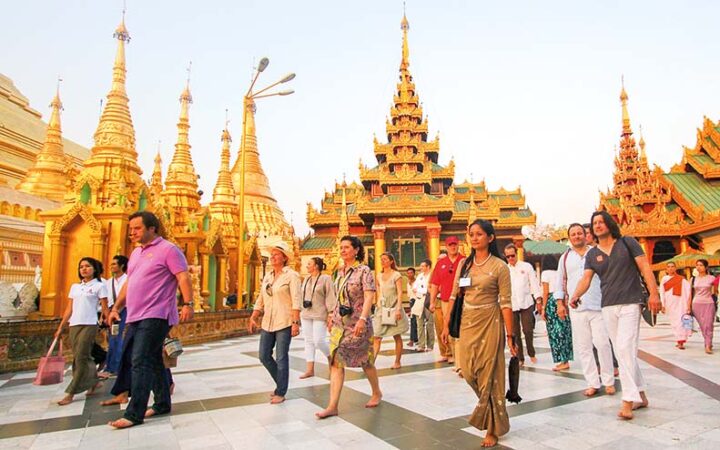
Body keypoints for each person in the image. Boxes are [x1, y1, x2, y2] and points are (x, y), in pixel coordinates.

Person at [106, 211, 194, 428]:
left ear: (152, 228)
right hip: (135, 314)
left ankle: (134, 413)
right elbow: (130, 283)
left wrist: (188, 303)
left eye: (137, 228)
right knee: (152, 359)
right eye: (131, 229)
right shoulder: (136, 253)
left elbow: (183, 276)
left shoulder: (169, 250)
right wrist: (116, 307)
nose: (132, 233)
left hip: (157, 313)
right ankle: (162, 403)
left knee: (140, 360)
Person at [571, 211, 661, 420]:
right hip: (608, 306)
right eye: (595, 223)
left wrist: (654, 294)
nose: (598, 225)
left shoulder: (627, 243)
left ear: (610, 224)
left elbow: (645, 267)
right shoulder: (592, 254)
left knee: (624, 348)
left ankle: (628, 400)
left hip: (631, 302)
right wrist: (575, 295)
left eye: (602, 222)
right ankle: (641, 395)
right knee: (623, 352)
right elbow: (586, 279)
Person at [441, 220, 515, 448]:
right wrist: (446, 324)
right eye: (471, 234)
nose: (474, 238)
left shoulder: (500, 266)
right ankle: (493, 416)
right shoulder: (464, 264)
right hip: (467, 322)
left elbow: (506, 303)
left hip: (490, 321)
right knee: (468, 371)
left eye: (479, 234)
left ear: (490, 238)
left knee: (489, 374)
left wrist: (510, 336)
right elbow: (454, 295)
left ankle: (493, 427)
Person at [316, 235, 382, 419]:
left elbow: (369, 296)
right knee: (336, 362)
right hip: (340, 324)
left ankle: (376, 392)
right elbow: (337, 297)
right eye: (341, 247)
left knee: (366, 361)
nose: (343, 250)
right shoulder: (339, 272)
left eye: (346, 247)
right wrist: (331, 315)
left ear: (356, 250)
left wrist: (363, 319)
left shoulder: (364, 270)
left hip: (358, 323)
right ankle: (332, 405)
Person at [556, 223, 615, 396]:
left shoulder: (596, 253)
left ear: (585, 235)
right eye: (573, 234)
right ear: (569, 238)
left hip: (598, 305)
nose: (577, 236)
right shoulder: (565, 258)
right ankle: (592, 383)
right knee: (584, 347)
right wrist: (560, 304)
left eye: (579, 233)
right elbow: (560, 282)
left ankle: (609, 381)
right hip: (577, 308)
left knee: (603, 344)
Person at [248, 242, 302, 403]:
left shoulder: (292, 276)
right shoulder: (268, 276)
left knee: (281, 357)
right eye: (271, 255)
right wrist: (254, 316)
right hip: (268, 321)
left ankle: (281, 392)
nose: (272, 257)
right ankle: (281, 383)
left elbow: (296, 300)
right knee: (264, 356)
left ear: (284, 258)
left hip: (285, 321)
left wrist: (295, 322)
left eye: (276, 254)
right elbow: (261, 298)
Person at [54, 257, 109, 406]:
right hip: (74, 324)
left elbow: (105, 308)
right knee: (81, 356)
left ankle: (71, 392)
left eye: (87, 266)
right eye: (81, 267)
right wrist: (61, 326)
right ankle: (94, 381)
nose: (84, 269)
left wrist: (109, 321)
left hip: (89, 324)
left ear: (94, 269)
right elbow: (69, 308)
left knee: (81, 357)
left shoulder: (99, 286)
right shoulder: (75, 287)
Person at [299, 257, 336, 379]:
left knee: (319, 340)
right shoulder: (306, 279)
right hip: (306, 313)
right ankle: (310, 370)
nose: (307, 266)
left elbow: (330, 296)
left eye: (309, 264)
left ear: (316, 266)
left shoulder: (326, 278)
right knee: (308, 341)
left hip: (320, 314)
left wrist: (331, 313)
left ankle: (330, 357)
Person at [505, 243, 542, 366]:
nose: (510, 258)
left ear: (516, 254)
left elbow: (534, 283)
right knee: (515, 333)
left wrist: (538, 300)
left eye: (512, 255)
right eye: (508, 256)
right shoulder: (505, 269)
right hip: (512, 304)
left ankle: (531, 352)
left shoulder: (526, 267)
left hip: (526, 302)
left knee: (528, 329)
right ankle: (520, 357)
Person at [429, 236, 464, 364]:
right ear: (446, 247)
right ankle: (449, 353)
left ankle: (460, 356)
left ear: (458, 245)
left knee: (460, 326)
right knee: (447, 326)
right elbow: (435, 284)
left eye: (455, 244)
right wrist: (432, 302)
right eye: (450, 245)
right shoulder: (441, 263)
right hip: (445, 300)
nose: (453, 247)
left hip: (461, 300)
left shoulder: (464, 261)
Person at [373, 252, 409, 369]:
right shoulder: (379, 275)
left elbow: (399, 292)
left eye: (385, 259)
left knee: (396, 335)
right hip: (382, 308)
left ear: (391, 261)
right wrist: (378, 302)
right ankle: (371, 362)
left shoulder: (396, 275)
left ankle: (397, 361)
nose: (382, 261)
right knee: (377, 336)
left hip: (393, 307)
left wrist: (398, 308)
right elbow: (378, 289)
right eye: (381, 259)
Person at [540, 256, 573, 371]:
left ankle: (562, 360)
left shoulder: (545, 273)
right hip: (562, 300)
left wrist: (543, 308)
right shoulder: (559, 272)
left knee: (554, 332)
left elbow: (545, 292)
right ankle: (566, 359)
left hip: (551, 301)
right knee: (564, 330)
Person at [99, 255, 129, 378]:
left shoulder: (128, 279)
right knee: (112, 338)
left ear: (122, 266)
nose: (111, 266)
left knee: (117, 338)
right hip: (112, 311)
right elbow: (105, 300)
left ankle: (114, 367)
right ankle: (111, 365)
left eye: (114, 264)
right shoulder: (108, 282)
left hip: (125, 310)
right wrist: (105, 314)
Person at [659, 262, 692, 350]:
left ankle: (681, 341)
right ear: (666, 269)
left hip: (681, 304)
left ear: (675, 268)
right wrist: (663, 304)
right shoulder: (664, 279)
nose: (670, 268)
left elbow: (688, 291)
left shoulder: (682, 279)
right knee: (674, 322)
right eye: (668, 267)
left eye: (672, 266)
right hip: (670, 304)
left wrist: (688, 304)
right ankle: (678, 339)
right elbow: (662, 292)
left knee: (680, 321)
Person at [690, 259, 716, 354]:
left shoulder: (711, 278)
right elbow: (690, 294)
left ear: (706, 267)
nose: (698, 267)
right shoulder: (693, 279)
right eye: (697, 265)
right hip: (696, 304)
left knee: (708, 324)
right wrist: (688, 306)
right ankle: (707, 341)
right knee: (702, 325)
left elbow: (715, 291)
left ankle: (708, 344)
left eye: (701, 265)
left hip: (709, 303)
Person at [411, 259, 434, 352]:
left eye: (423, 266)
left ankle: (430, 345)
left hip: (429, 300)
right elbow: (414, 288)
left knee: (430, 324)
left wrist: (421, 290)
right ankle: (421, 345)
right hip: (419, 300)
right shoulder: (420, 276)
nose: (421, 268)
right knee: (419, 323)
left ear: (428, 267)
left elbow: (430, 289)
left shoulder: (432, 275)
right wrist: (421, 290)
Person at [406, 267, 418, 348]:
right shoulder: (408, 283)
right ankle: (414, 339)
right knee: (413, 320)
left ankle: (413, 339)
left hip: (417, 301)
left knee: (416, 321)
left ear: (414, 273)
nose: (410, 274)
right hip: (411, 302)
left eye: (411, 273)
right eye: (408, 273)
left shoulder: (417, 282)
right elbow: (409, 295)